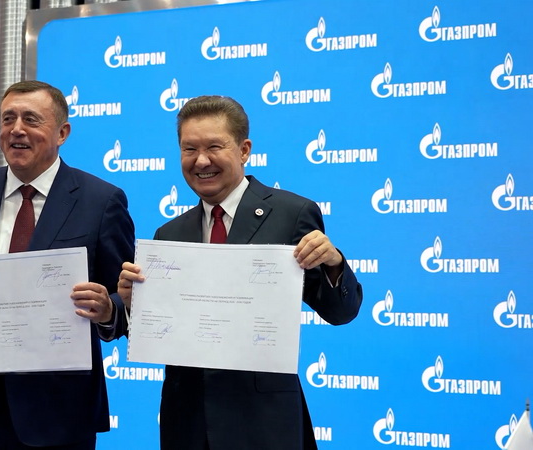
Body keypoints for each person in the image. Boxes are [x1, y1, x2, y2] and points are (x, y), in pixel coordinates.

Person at [117, 95, 363, 450]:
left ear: (244, 150)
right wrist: (132, 305)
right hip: (186, 422)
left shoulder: (292, 213)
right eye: (189, 149)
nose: (201, 161)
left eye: (214, 147)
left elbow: (341, 312)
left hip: (264, 421)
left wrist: (333, 263)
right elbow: (159, 333)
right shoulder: (168, 234)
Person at [0, 80, 135, 449]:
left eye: (31, 119)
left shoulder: (101, 201)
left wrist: (108, 309)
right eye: (8, 119)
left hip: (60, 413)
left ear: (62, 133)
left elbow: (128, 300)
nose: (16, 129)